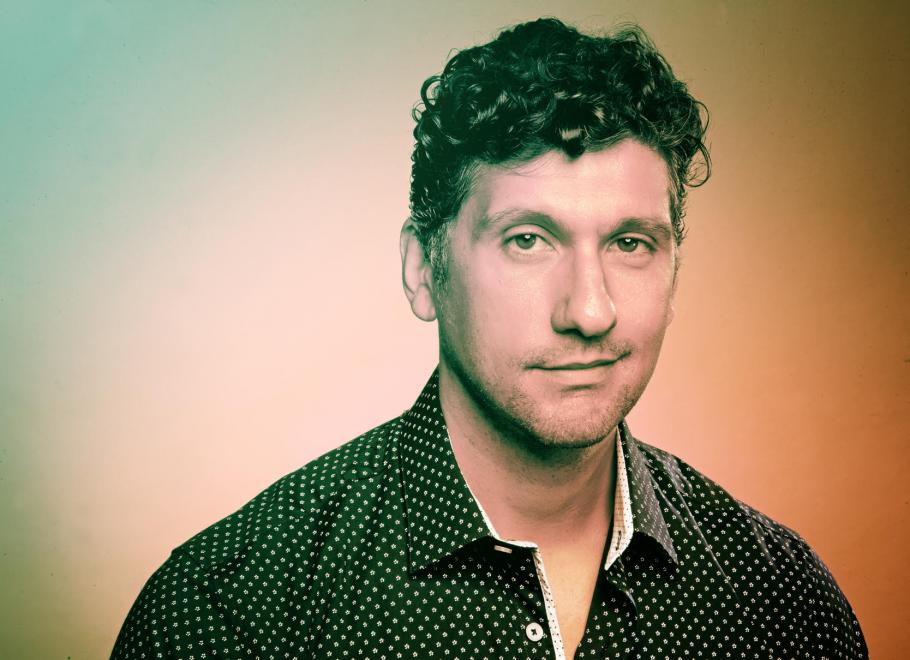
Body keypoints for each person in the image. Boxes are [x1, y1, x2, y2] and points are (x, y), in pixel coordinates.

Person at [112, 18, 867, 659]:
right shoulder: (231, 613)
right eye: (528, 239)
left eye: (630, 243)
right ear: (423, 268)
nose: (590, 311)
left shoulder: (788, 603)